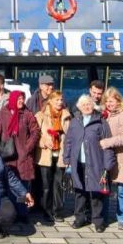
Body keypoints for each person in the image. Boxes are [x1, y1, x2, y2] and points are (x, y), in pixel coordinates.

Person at [63, 95, 116, 232]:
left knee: (96, 193)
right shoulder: (75, 122)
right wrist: (67, 158)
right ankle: (80, 218)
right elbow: (68, 141)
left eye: (89, 104)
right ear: (79, 107)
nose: (87, 107)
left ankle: (98, 221)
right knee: (79, 192)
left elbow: (107, 144)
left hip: (95, 162)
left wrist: (108, 164)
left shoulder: (101, 122)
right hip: (78, 162)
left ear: (93, 106)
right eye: (84, 105)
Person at [0, 90, 40, 221]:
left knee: (23, 184)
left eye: (23, 98)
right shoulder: (4, 112)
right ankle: (11, 212)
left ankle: (22, 213)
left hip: (23, 155)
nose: (21, 101)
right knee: (9, 185)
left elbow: (35, 131)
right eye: (19, 98)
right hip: (8, 154)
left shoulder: (27, 113)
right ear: (13, 99)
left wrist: (28, 147)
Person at [100, 88, 123, 230]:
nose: (109, 104)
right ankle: (103, 216)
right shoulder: (104, 115)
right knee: (104, 188)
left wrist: (107, 142)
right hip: (105, 157)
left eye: (112, 101)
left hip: (121, 157)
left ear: (118, 101)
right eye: (107, 101)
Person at [35, 90, 71, 223]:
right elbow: (35, 134)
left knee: (59, 185)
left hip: (60, 154)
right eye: (57, 100)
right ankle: (46, 211)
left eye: (61, 100)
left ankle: (58, 211)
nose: (59, 102)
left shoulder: (67, 115)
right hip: (46, 155)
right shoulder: (40, 115)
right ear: (50, 101)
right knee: (46, 186)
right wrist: (43, 141)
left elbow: (71, 136)